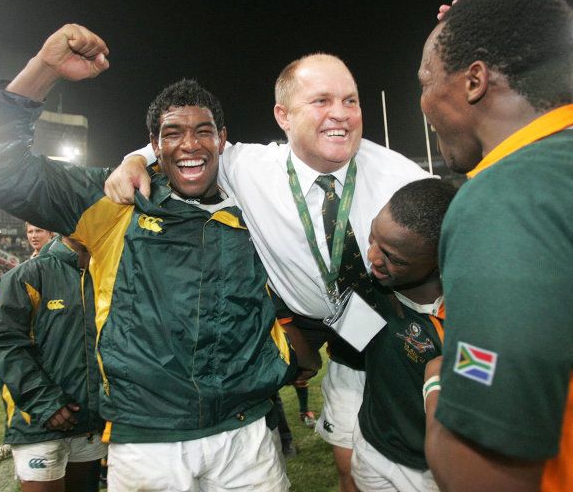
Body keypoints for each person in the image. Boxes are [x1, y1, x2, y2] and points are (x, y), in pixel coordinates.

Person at [0, 24, 295, 491]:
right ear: (154, 145)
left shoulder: (256, 207)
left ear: (223, 139)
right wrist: (44, 70)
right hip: (147, 443)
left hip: (247, 432)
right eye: (172, 133)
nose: (190, 145)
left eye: (203, 132)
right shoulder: (114, 202)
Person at [107, 54, 430, 490]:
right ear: (283, 115)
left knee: (421, 464)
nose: (340, 113)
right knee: (351, 468)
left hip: (401, 332)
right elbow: (185, 140)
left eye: (350, 101)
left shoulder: (404, 179)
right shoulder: (250, 167)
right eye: (321, 100)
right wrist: (133, 160)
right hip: (331, 334)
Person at [417, 0, 573, 491]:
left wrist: (436, 379)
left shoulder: (506, 196)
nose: (423, 101)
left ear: (474, 80)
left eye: (425, 80)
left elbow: (481, 475)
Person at [351, 178, 456, 492]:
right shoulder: (369, 290)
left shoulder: (472, 317)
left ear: (439, 260)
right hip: (373, 448)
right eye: (373, 237)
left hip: (433, 472)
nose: (372, 256)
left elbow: (484, 390)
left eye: (393, 257)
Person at [0, 235, 105, 491]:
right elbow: (1, 343)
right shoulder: (27, 275)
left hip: (90, 424)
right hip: (39, 423)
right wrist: (45, 403)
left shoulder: (109, 272)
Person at [0, 222, 55, 463]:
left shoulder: (59, 264)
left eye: (39, 230)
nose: (34, 236)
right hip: (27, 339)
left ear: (51, 233)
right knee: (13, 380)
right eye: (30, 232)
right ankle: (13, 437)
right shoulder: (26, 267)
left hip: (51, 344)